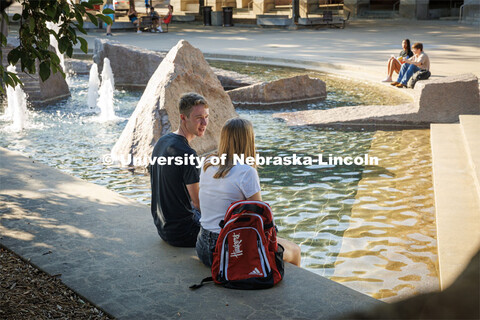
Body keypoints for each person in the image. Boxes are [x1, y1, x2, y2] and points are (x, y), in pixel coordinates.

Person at [196, 118, 302, 268]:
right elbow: (263, 219)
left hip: (203, 247)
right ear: (248, 141)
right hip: (228, 251)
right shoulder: (246, 172)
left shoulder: (207, 163)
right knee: (295, 250)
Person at [150, 93, 209, 247]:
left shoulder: (162, 142)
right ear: (183, 118)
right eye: (198, 118)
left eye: (206, 116)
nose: (204, 123)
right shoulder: (187, 153)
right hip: (183, 233)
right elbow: (197, 204)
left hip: (162, 227)